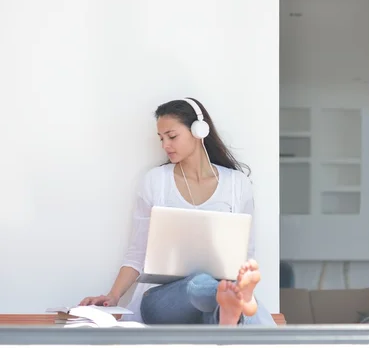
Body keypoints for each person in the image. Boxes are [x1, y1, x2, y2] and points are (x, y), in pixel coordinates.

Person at [79, 97, 275, 326]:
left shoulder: (237, 185)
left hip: (214, 300)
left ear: (199, 130)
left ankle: (227, 313)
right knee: (198, 284)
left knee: (214, 303)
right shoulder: (155, 181)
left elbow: (244, 256)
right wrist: (113, 296)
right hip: (163, 300)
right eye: (161, 139)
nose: (165, 145)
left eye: (172, 136)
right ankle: (234, 301)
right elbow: (137, 253)